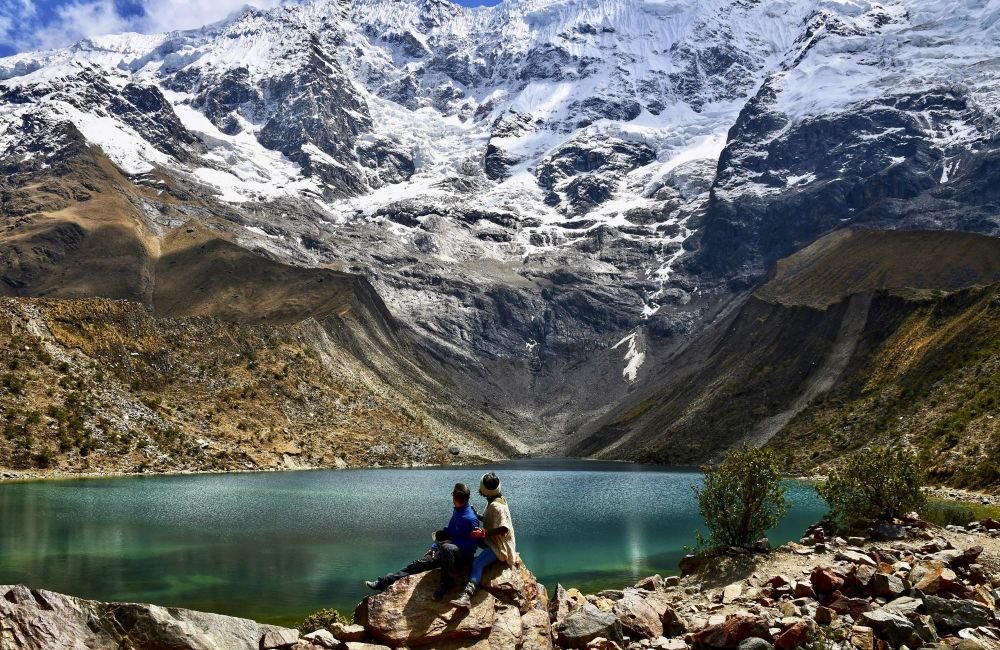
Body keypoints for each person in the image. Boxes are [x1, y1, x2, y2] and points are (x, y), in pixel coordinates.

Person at [364, 483, 480, 600]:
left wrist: (449, 544)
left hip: (460, 556)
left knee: (447, 549)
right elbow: (447, 530)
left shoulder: (470, 519)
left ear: (455, 498)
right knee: (417, 565)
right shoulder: (458, 511)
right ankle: (384, 582)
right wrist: (434, 547)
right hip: (446, 553)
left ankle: (445, 584)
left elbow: (472, 546)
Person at [450, 472, 517, 610]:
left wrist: (484, 532)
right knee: (468, 536)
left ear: (485, 489)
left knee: (477, 563)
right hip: (492, 539)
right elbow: (490, 520)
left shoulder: (496, 506)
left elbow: (504, 529)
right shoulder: (496, 499)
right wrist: (478, 515)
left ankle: (466, 596)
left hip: (500, 546)